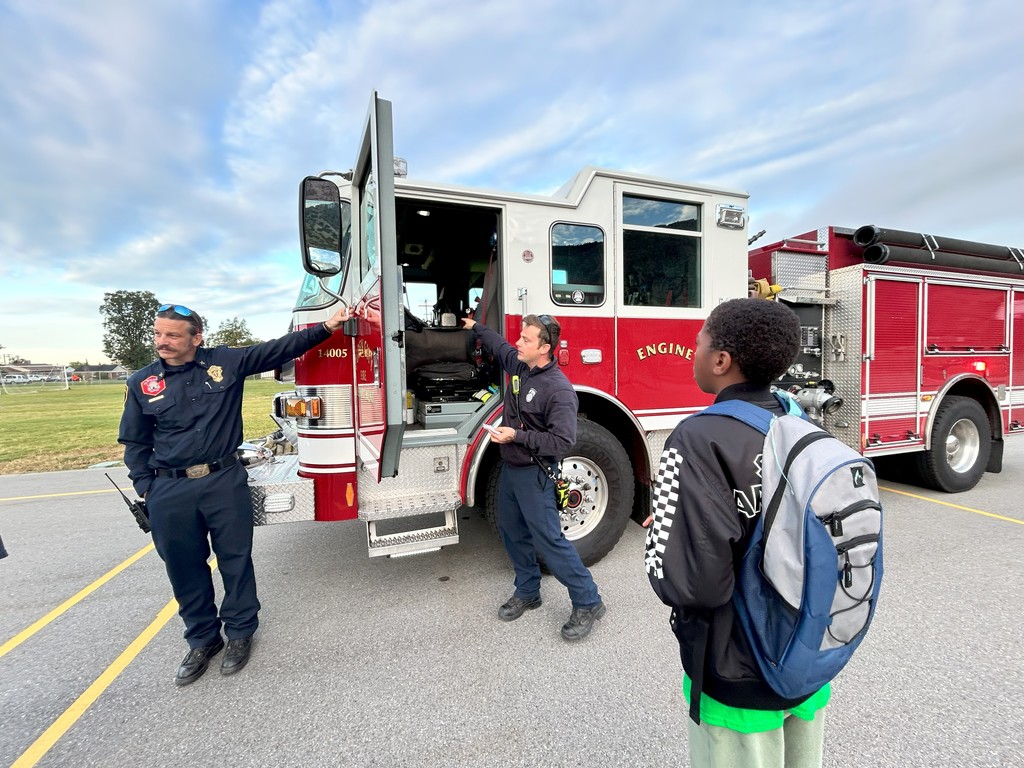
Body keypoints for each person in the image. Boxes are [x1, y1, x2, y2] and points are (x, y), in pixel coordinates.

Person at [119, 302, 349, 685]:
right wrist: (147, 487)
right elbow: (134, 442)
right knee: (183, 567)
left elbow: (278, 348)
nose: (162, 341)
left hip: (223, 481)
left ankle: (240, 633)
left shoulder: (225, 362)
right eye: (158, 334)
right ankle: (202, 640)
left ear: (196, 337)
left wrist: (326, 327)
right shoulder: (142, 382)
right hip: (169, 489)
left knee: (235, 560)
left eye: (172, 335)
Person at [644, 298, 829, 768]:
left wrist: (667, 531)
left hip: (739, 671)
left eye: (699, 344)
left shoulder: (697, 437)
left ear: (721, 360)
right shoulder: (799, 424)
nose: (694, 353)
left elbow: (693, 584)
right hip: (805, 655)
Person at [462, 312, 605, 641]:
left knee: (550, 541)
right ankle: (528, 591)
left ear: (545, 348)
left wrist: (517, 436)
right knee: (512, 533)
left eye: (526, 339)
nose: (518, 343)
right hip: (511, 471)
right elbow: (499, 346)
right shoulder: (520, 365)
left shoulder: (559, 390)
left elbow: (563, 442)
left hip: (536, 474)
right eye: (520, 337)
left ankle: (589, 600)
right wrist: (476, 327)